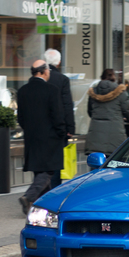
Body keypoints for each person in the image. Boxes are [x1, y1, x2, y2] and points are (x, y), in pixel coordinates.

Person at [17, 60, 66, 215]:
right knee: (48, 171)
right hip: (50, 137)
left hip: (32, 137)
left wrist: (30, 130)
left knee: (39, 171)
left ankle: (44, 206)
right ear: (45, 71)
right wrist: (61, 132)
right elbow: (57, 115)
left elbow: (21, 118)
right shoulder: (52, 90)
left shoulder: (23, 91)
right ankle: (29, 196)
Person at [43, 49, 75, 189]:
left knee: (42, 161)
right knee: (56, 161)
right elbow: (67, 104)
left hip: (41, 127)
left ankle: (41, 189)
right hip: (58, 128)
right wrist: (70, 128)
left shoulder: (40, 79)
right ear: (59, 62)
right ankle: (54, 190)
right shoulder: (62, 79)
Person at [85, 69, 129, 157]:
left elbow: (90, 112)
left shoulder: (93, 93)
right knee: (114, 166)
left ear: (101, 78)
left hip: (95, 138)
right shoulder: (121, 93)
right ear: (114, 78)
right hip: (115, 138)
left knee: (96, 165)